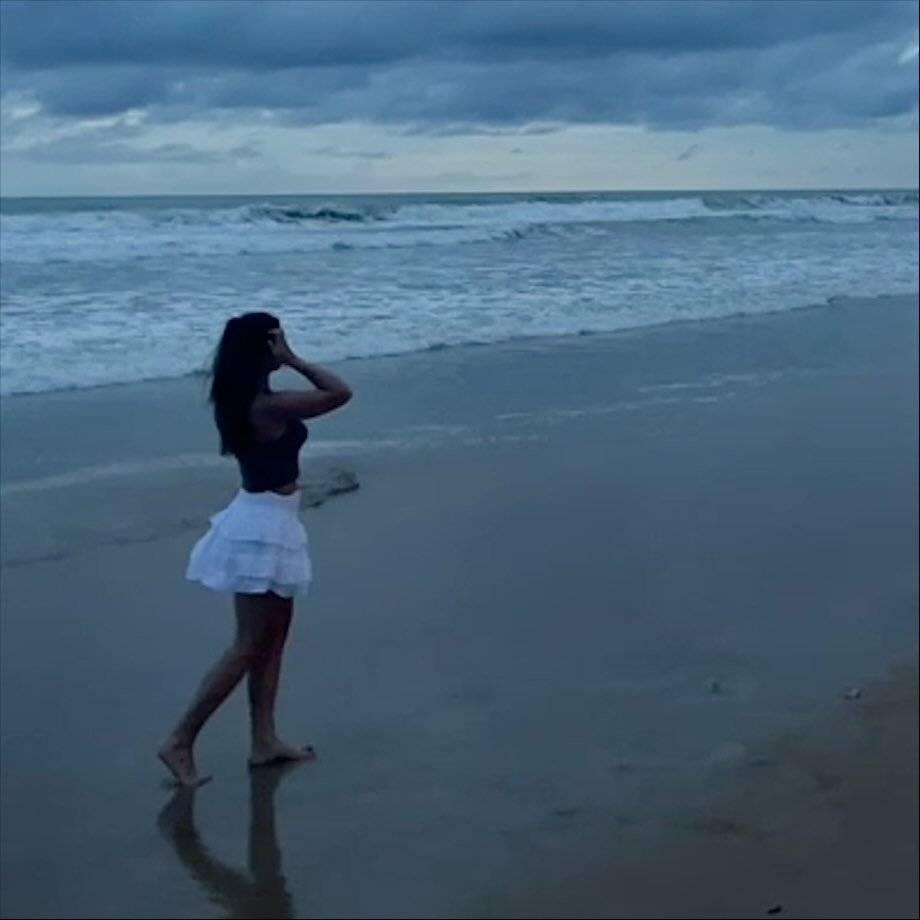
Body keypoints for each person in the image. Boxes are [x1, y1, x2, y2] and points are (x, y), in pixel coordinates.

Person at [159, 312, 352, 787]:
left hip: (272, 521)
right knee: (248, 644)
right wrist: (295, 359)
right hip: (261, 528)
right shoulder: (265, 407)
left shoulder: (247, 398)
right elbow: (339, 393)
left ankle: (264, 740)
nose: (283, 345)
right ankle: (180, 739)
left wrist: (282, 357)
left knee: (272, 640)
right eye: (277, 339)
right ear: (265, 347)